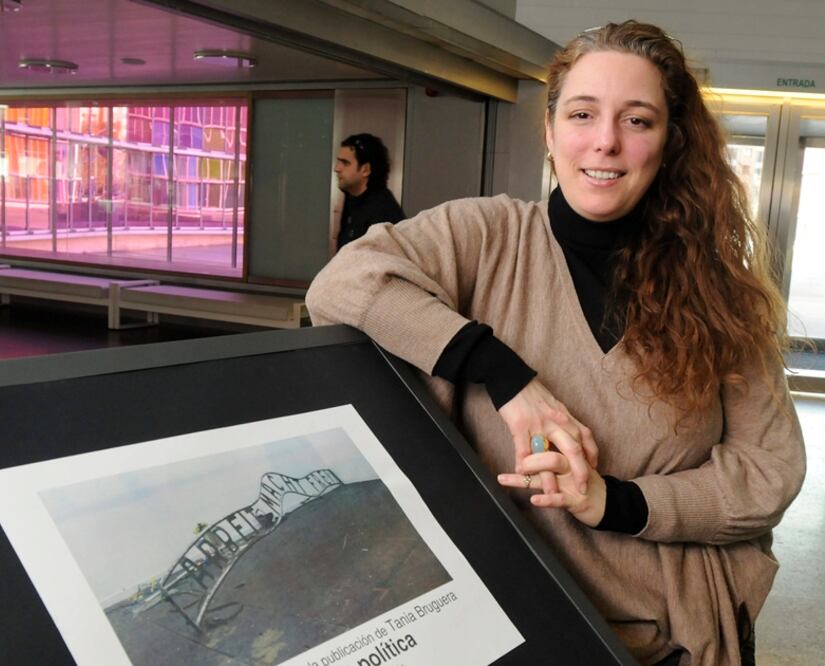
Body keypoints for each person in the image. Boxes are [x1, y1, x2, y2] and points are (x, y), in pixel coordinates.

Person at [306, 20, 805, 665]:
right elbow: (339, 285)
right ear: (549, 130)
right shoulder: (484, 236)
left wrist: (618, 502)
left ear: (670, 141)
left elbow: (770, 471)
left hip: (671, 637)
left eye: (637, 120)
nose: (606, 141)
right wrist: (499, 369)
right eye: (582, 114)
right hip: (503, 628)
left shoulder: (719, 294)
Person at [334, 133, 405, 249]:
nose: (337, 168)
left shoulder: (382, 211)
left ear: (365, 169)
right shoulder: (353, 199)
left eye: (345, 163)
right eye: (338, 162)